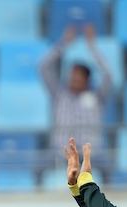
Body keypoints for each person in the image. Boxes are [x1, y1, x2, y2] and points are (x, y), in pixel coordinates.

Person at [40, 24, 112, 171]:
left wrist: (92, 47)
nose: (73, 79)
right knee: (39, 167)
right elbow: (43, 67)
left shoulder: (97, 96)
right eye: (72, 75)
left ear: (87, 80)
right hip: (61, 155)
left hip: (92, 157)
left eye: (78, 77)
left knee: (109, 167)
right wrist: (62, 44)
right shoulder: (59, 94)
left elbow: (108, 75)